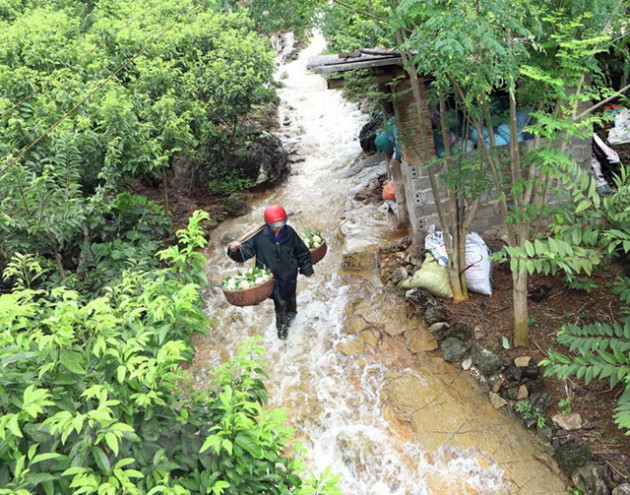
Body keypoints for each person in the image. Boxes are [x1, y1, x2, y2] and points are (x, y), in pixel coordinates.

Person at [227, 205, 314, 340]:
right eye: (275, 226)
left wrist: (307, 269)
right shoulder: (259, 237)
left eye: (280, 225)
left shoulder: (289, 232)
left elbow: (301, 251)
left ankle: (293, 315)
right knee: (280, 303)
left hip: (289, 275)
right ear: (268, 224)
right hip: (271, 279)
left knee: (291, 297)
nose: (278, 228)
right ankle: (282, 331)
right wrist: (234, 251)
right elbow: (244, 255)